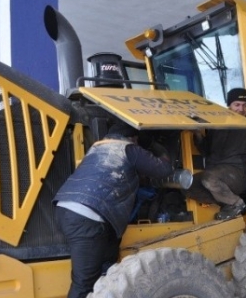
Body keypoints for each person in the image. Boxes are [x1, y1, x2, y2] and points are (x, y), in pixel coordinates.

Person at [53, 121, 174, 298]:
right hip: (87, 216)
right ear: (133, 138)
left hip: (66, 208)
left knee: (108, 262)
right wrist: (156, 147)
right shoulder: (128, 148)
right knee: (84, 282)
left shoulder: (97, 147)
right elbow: (163, 170)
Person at [186, 87, 246, 220]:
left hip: (239, 173)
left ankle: (237, 203)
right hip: (216, 171)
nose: (241, 109)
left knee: (209, 179)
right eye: (237, 105)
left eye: (244, 105)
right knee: (187, 185)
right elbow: (205, 150)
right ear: (229, 105)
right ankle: (227, 203)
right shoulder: (218, 125)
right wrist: (197, 133)